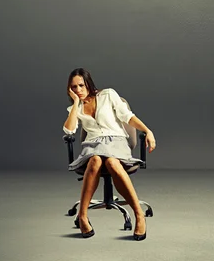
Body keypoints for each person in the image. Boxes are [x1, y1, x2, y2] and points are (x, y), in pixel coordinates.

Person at [63, 68, 156, 240]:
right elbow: (69, 130)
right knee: (96, 160)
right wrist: (76, 104)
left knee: (112, 163)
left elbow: (127, 116)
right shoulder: (75, 108)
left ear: (88, 83)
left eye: (81, 85)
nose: (78, 90)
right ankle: (83, 216)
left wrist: (147, 131)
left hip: (116, 142)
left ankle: (139, 215)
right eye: (74, 87)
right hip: (93, 145)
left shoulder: (108, 95)